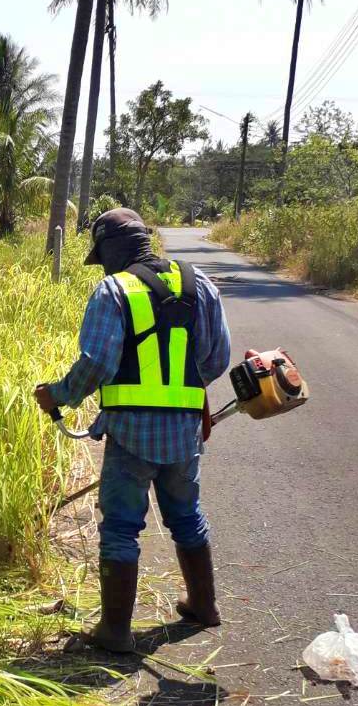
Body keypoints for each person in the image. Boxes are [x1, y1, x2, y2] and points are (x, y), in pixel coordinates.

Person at [35, 208, 231, 653]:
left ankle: (115, 631)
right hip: (184, 434)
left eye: (101, 254)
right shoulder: (199, 284)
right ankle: (204, 605)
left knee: (122, 528)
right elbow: (217, 359)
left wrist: (60, 395)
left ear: (111, 249)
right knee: (186, 516)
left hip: (130, 435)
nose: (101, 264)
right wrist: (180, 395)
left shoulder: (113, 289)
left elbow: (98, 363)